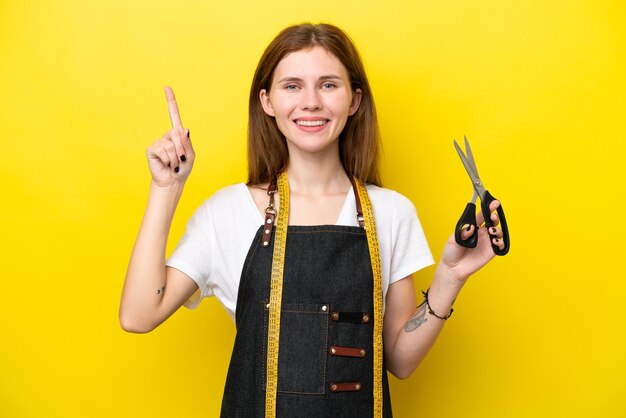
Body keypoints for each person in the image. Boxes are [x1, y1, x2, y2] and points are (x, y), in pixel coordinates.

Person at [119, 23, 505, 417]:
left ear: (354, 100)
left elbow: (400, 362)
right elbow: (138, 315)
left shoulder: (391, 213)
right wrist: (166, 189)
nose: (311, 102)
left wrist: (450, 277)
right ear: (267, 102)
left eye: (328, 85)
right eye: (292, 86)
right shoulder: (227, 212)